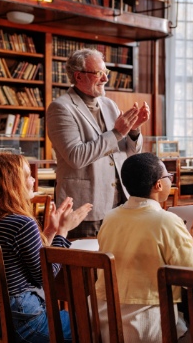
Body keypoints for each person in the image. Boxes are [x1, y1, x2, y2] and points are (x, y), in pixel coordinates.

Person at [0, 153, 92, 343]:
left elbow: (24, 260)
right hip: (25, 333)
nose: (33, 180)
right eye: (27, 175)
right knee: (97, 327)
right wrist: (63, 231)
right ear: (12, 184)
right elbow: (46, 277)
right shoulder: (21, 224)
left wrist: (50, 232)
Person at [96, 152, 193, 343]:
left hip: (108, 333)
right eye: (168, 177)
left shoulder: (110, 218)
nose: (170, 180)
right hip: (150, 335)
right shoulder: (166, 221)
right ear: (158, 185)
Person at [46, 48, 150, 238]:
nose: (105, 79)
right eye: (99, 74)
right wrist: (117, 132)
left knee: (115, 264)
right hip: (85, 208)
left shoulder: (109, 104)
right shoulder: (61, 108)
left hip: (119, 204)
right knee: (88, 265)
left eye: (106, 73)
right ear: (79, 76)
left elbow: (129, 153)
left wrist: (133, 131)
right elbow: (76, 157)